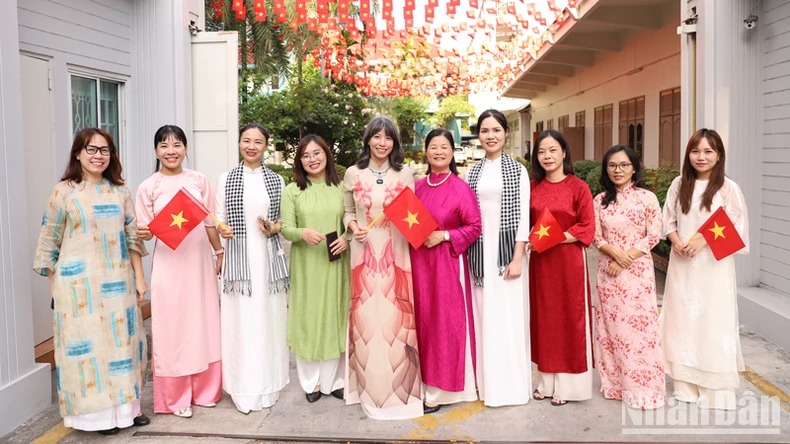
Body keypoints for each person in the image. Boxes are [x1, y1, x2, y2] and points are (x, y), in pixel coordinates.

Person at [33, 128, 149, 435]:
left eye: (104, 150)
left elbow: (132, 236)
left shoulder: (120, 191)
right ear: (78, 154)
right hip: (77, 288)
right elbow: (48, 244)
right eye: (91, 150)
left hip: (118, 282)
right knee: (88, 354)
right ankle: (97, 419)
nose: (98, 156)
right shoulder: (63, 192)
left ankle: (128, 411)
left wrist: (140, 278)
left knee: (124, 346)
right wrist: (55, 289)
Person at [135, 125, 223, 418]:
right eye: (164, 146)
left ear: (185, 148)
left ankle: (205, 391)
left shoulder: (198, 180)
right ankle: (175, 397)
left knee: (203, 321)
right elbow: (145, 230)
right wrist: (145, 232)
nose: (170, 151)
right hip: (169, 266)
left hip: (198, 263)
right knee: (173, 326)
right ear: (155, 151)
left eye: (176, 145)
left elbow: (209, 221)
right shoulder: (148, 187)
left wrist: (219, 252)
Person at [660, 128, 749, 410]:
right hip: (682, 266)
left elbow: (736, 225)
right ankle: (684, 385)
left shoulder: (728, 188)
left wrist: (701, 241)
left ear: (719, 155)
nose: (701, 156)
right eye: (695, 151)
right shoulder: (679, 184)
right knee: (682, 321)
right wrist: (676, 241)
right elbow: (668, 220)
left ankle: (714, 390)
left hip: (713, 268)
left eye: (708, 151)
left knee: (713, 321)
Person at [343, 115, 423, 419]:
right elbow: (347, 211)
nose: (382, 142)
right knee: (366, 323)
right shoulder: (353, 173)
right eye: (377, 136)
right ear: (368, 140)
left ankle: (400, 396)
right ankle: (365, 392)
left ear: (395, 142)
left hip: (396, 257)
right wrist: (353, 228)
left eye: (388, 137)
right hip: (363, 256)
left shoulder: (404, 174)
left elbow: (412, 215)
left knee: (394, 323)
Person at [216, 123, 290, 414]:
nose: (251, 146)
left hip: (267, 262)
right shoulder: (226, 179)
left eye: (258, 141)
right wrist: (223, 229)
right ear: (239, 143)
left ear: (265, 146)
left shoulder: (276, 180)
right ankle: (242, 388)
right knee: (240, 323)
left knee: (268, 322)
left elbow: (283, 220)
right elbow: (219, 218)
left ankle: (268, 386)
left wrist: (274, 227)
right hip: (238, 265)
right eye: (246, 140)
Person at [411, 129, 482, 413]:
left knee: (444, 323)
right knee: (423, 321)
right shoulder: (416, 188)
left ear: (452, 152)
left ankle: (443, 390)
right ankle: (421, 382)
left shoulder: (460, 188)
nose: (438, 152)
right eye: (433, 146)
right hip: (419, 265)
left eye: (444, 147)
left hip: (447, 266)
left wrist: (444, 236)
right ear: (425, 151)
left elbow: (474, 227)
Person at [466, 110, 532, 407]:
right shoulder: (472, 172)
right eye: (485, 131)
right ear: (478, 135)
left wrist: (517, 258)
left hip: (507, 257)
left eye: (496, 130)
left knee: (508, 320)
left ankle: (511, 388)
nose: (490, 136)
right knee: (484, 320)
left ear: (506, 133)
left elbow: (523, 218)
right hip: (479, 255)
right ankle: (486, 386)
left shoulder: (518, 171)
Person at [592, 145, 666, 410]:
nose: (618, 170)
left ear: (634, 168)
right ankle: (615, 385)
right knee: (612, 330)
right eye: (612, 165)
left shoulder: (647, 198)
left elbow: (654, 234)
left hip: (637, 275)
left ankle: (645, 389)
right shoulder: (600, 200)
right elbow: (595, 235)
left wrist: (625, 258)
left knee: (639, 331)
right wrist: (614, 254)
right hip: (609, 274)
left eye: (624, 165)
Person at [280, 135, 350, 403]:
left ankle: (336, 381)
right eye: (306, 155)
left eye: (317, 153)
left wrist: (347, 238)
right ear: (299, 160)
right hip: (307, 265)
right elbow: (286, 228)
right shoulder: (293, 190)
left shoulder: (341, 187)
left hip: (336, 262)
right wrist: (302, 233)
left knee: (335, 316)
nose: (312, 159)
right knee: (308, 319)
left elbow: (351, 220)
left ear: (327, 154)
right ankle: (312, 383)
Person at [529, 129, 595, 407]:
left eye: (553, 150)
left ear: (564, 152)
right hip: (541, 263)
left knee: (569, 317)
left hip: (568, 261)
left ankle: (570, 386)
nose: (547, 156)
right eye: (542, 151)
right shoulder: (532, 186)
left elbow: (587, 226)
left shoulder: (578, 187)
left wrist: (554, 237)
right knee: (545, 319)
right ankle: (546, 381)